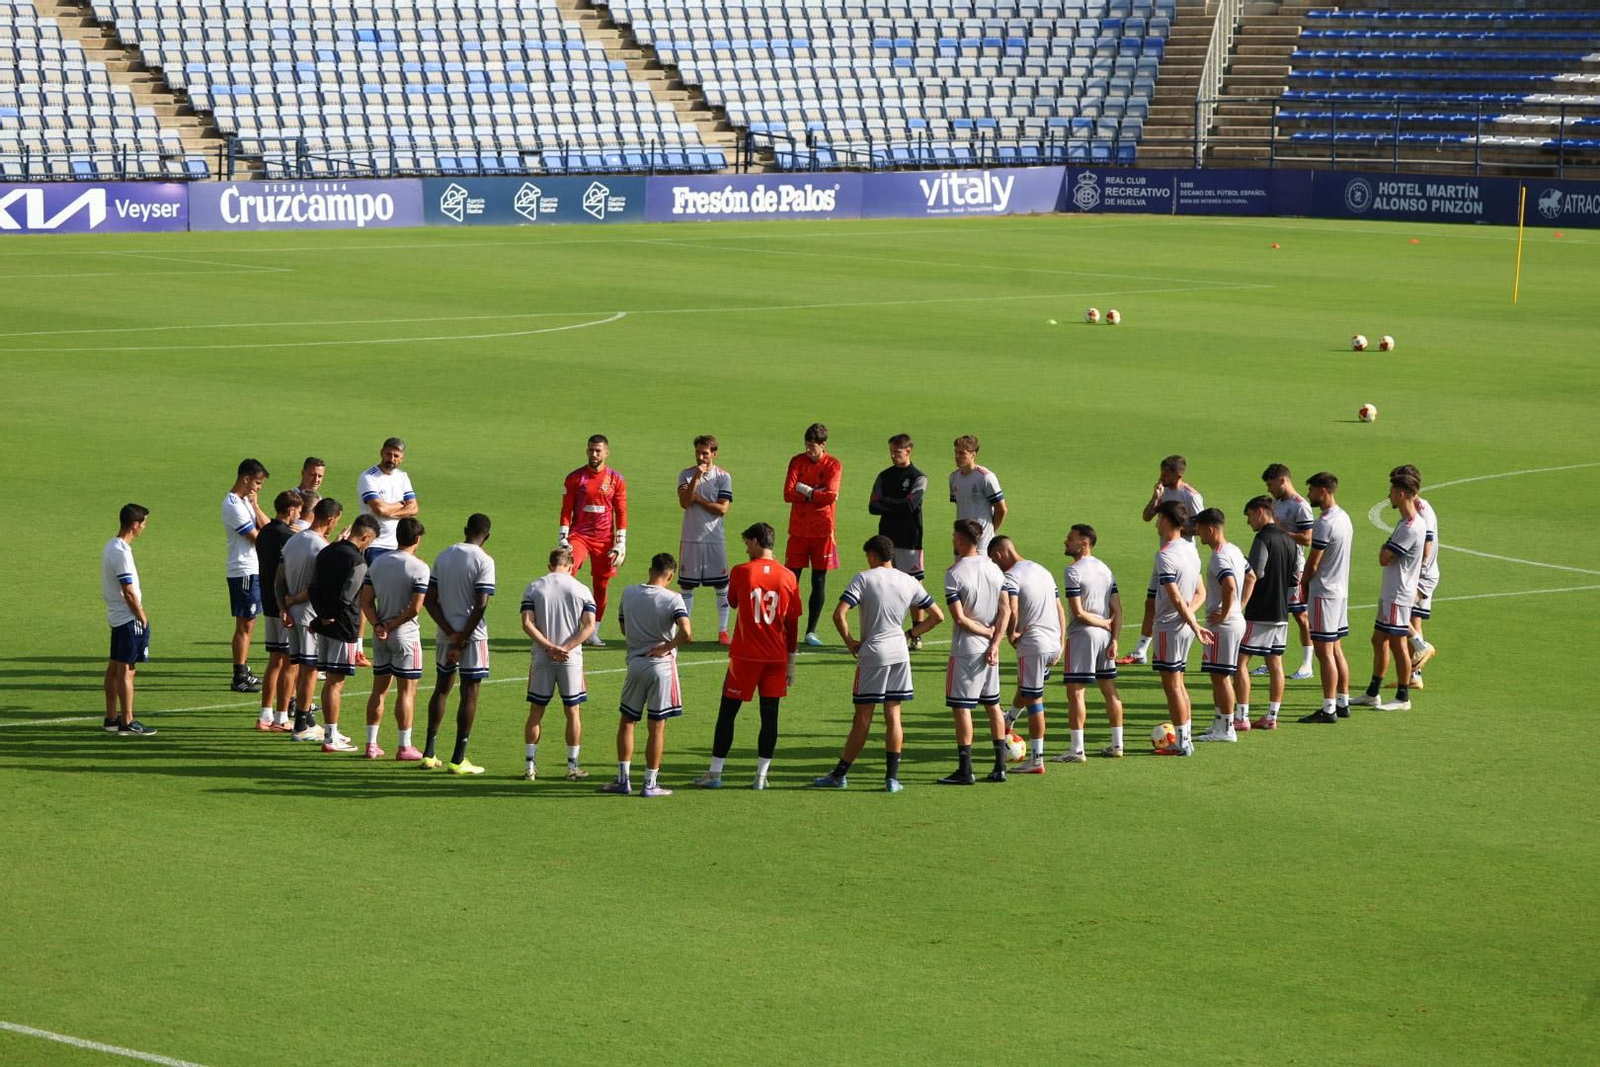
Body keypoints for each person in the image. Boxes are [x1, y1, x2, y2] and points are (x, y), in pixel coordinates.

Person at [813, 535, 943, 792]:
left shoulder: (864, 578)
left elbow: (839, 614)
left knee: (863, 716)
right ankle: (891, 779)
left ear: (873, 556)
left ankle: (840, 774)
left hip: (874, 654)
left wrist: (850, 641)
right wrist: (910, 634)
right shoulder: (909, 581)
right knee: (894, 715)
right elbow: (937, 616)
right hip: (900, 653)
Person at [698, 522, 801, 790]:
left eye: (747, 543)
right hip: (776, 659)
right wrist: (792, 661)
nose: (746, 548)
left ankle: (715, 773)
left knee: (727, 713)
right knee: (770, 716)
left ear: (756, 542)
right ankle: (761, 776)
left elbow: (732, 602)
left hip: (745, 657)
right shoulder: (789, 577)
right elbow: (793, 623)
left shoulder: (742, 572)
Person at [602, 553, 691, 798]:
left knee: (627, 721)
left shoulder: (629, 593)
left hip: (635, 664)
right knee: (657, 727)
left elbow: (623, 627)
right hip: (662, 668)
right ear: (670, 575)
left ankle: (623, 780)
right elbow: (687, 632)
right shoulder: (674, 599)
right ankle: (650, 784)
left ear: (650, 570)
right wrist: (666, 646)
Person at [938, 519, 1012, 784]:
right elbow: (1006, 610)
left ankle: (965, 769)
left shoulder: (954, 574)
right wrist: (995, 642)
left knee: (962, 708)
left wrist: (985, 634)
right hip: (992, 651)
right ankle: (999, 767)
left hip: (967, 648)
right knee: (993, 705)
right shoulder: (994, 569)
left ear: (959, 539)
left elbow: (959, 619)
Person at [423, 513, 496, 774]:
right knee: (469, 692)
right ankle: (458, 759)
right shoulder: (484, 561)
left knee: (441, 689)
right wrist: (462, 637)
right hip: (472, 637)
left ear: (465, 529)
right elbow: (481, 604)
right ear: (486, 536)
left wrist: (450, 633)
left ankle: (429, 754)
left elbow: (429, 600)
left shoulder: (444, 555)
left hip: (446, 635)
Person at [520, 546, 598, 782]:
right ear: (571, 566)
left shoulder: (534, 587)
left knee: (536, 712)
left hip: (542, 658)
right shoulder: (581, 589)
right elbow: (589, 625)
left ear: (549, 565)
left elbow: (527, 623)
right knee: (572, 712)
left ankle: (530, 767)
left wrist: (548, 647)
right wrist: (566, 648)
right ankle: (573, 767)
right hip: (570, 660)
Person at [988, 535, 1063, 773]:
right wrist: (1061, 642)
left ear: (999, 555)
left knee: (1035, 701)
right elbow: (1060, 607)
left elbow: (1010, 608)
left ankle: (1037, 760)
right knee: (1027, 685)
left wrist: (1012, 634)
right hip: (1052, 643)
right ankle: (1009, 721)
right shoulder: (1042, 570)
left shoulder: (1010, 576)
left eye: (993, 560)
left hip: (1034, 645)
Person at [1351, 473, 1426, 711]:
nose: (1389, 496)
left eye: (1392, 492)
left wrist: (1384, 547)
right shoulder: (1405, 523)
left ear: (1401, 494)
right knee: (1378, 639)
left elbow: (1384, 558)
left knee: (1397, 644)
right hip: (1390, 592)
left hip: (1398, 594)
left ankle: (1403, 697)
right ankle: (1373, 692)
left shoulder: (1411, 527)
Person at [1123, 455, 1204, 665]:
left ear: (1178, 475)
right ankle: (1141, 650)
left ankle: (1185, 625)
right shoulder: (1163, 490)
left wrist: (1177, 526)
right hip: (1165, 556)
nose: (1161, 476)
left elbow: (1201, 526)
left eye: (1166, 473)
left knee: (1180, 600)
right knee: (1150, 601)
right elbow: (1147, 516)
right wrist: (1155, 497)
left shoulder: (1191, 496)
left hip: (1183, 557)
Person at [308, 514, 380, 753]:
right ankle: (330, 737)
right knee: (335, 683)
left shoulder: (327, 551)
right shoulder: (358, 561)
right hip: (344, 627)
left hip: (324, 625)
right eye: (370, 541)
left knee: (329, 680)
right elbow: (347, 596)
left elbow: (313, 587)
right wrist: (330, 615)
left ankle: (332, 731)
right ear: (366, 536)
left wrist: (320, 616)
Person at [1147, 501, 1213, 756]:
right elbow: (1200, 593)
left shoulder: (1165, 555)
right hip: (1183, 626)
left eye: (1158, 519)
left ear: (1165, 520)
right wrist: (1191, 619)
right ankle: (1186, 737)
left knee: (1172, 686)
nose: (1155, 523)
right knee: (1180, 683)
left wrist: (1192, 623)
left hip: (1169, 628)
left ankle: (1182, 743)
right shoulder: (1190, 550)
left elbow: (1174, 597)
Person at [361, 517, 429, 760]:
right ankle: (404, 746)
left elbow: (365, 601)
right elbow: (414, 608)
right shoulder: (419, 568)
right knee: (406, 692)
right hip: (405, 635)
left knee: (378, 690)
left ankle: (371, 744)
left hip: (379, 635)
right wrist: (391, 625)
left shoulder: (377, 563)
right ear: (417, 540)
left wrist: (379, 625)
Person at [1057, 524, 1125, 760]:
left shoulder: (1073, 570)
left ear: (1084, 543)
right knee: (1110, 690)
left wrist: (1100, 624)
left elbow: (1077, 612)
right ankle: (1118, 745)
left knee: (1076, 693)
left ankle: (1077, 750)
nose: (1066, 541)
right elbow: (1117, 609)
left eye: (1070, 538)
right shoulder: (1105, 570)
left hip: (1083, 635)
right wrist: (1114, 638)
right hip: (1105, 637)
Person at [277, 496, 340, 742]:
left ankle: (304, 720)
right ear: (331, 519)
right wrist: (294, 601)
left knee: (298, 666)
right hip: (309, 616)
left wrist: (283, 606)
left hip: (292, 616)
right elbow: (317, 586)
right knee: (310, 669)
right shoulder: (321, 547)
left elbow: (278, 580)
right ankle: (302, 724)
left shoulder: (292, 542)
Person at [1235, 496, 1298, 731]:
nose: (1249, 522)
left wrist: (1242, 561)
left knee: (1240, 661)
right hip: (1281, 612)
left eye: (1250, 515)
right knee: (1275, 664)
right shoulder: (1290, 541)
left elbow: (1256, 572)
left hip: (1259, 610)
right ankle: (1272, 716)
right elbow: (1294, 578)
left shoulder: (1262, 538)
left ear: (1261, 512)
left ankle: (1242, 716)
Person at [559, 434, 627, 646]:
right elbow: (566, 509)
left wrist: (621, 541)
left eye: (598, 451)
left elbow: (621, 511)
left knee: (602, 585)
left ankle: (592, 631)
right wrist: (563, 536)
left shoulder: (616, 479)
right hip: (580, 535)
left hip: (604, 539)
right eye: (591, 450)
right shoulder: (575, 478)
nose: (594, 454)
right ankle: (568, 625)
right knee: (567, 573)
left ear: (606, 453)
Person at [1297, 472, 1353, 724]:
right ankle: (1342, 701)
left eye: (1311, 491)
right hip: (1340, 592)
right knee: (1337, 648)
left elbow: (1314, 562)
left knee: (1324, 652)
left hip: (1324, 594)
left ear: (1322, 491)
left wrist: (1304, 583)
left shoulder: (1324, 523)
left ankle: (1328, 708)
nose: (1309, 495)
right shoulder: (1345, 518)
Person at [357, 437, 418, 664]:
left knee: (396, 596)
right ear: (381, 452)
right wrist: (400, 506)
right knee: (367, 597)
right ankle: (358, 649)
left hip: (397, 545)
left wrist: (391, 510)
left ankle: (388, 639)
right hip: (374, 545)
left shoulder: (402, 477)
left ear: (402, 458)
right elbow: (378, 509)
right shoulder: (368, 477)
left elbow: (415, 507)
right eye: (388, 454)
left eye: (396, 456)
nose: (391, 459)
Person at [1193, 508, 1249, 743]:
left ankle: (1227, 728)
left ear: (1211, 529)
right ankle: (1219, 723)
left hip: (1225, 626)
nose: (1197, 534)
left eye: (1199, 529)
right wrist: (1239, 607)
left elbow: (1229, 585)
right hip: (1235, 621)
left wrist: (1226, 613)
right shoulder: (1234, 550)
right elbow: (1252, 576)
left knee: (1221, 676)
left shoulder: (1219, 556)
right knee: (1218, 675)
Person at [783, 422, 842, 646]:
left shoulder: (834, 465)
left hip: (823, 530)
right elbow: (788, 493)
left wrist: (805, 490)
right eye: (807, 446)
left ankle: (811, 631)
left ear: (823, 445)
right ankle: (786, 626)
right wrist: (816, 493)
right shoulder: (797, 461)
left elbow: (831, 495)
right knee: (791, 580)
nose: (809, 450)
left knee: (819, 581)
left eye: (813, 447)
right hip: (798, 530)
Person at [868, 433, 929, 648]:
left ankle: (917, 633)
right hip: (886, 540)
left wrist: (887, 502)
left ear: (908, 450)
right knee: (885, 585)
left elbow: (910, 505)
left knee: (914, 585)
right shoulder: (884, 476)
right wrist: (897, 503)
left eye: (897, 451)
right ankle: (886, 630)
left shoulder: (918, 477)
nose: (893, 456)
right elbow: (872, 506)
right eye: (891, 451)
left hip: (910, 539)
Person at [1258, 463, 1317, 681]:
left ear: (1283, 480)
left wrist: (1281, 532)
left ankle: (1306, 664)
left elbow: (1308, 539)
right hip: (1275, 567)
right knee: (1275, 613)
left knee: (1300, 615)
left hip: (1294, 568)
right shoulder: (1278, 504)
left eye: (1271, 484)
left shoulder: (1300, 506)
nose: (1269, 489)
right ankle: (1272, 661)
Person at [102, 503, 155, 737]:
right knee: (127, 670)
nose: (144, 528)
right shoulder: (122, 552)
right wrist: (141, 615)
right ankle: (127, 721)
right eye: (143, 524)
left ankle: (112, 717)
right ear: (135, 525)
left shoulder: (111, 546)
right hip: (127, 617)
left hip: (116, 616)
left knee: (114, 667)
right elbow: (129, 591)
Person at [677, 434, 733, 644]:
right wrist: (695, 480)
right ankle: (686, 631)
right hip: (690, 538)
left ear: (714, 454)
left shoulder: (723, 477)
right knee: (687, 587)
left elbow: (722, 509)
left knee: (721, 586)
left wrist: (698, 498)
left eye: (705, 453)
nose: (700, 457)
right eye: (698, 452)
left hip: (714, 540)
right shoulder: (686, 475)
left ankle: (723, 631)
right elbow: (684, 502)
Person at [254, 490, 301, 732]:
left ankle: (265, 715)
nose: (299, 515)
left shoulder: (264, 533)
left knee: (274, 659)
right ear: (291, 510)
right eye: (298, 511)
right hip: (285, 605)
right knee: (289, 662)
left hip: (268, 602)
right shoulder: (286, 537)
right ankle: (281, 718)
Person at [222, 458, 270, 692]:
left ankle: (243, 669)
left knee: (250, 623)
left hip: (253, 569)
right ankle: (238, 675)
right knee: (245, 624)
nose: (258, 487)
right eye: (257, 483)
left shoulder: (246, 501)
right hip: (243, 570)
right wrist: (274, 539)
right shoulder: (232, 504)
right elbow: (258, 537)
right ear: (246, 478)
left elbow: (267, 526)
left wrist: (257, 504)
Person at [1392, 464, 1440, 686]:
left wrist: (1415, 571)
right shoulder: (1418, 508)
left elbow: (1427, 547)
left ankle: (1422, 646)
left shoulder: (1421, 510)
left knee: (1397, 612)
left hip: (1421, 576)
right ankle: (1414, 675)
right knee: (1413, 618)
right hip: (1422, 574)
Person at [949, 434, 1007, 555]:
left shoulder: (985, 477)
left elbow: (1001, 509)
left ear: (973, 454)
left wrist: (989, 532)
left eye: (962, 453)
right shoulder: (953, 478)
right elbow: (961, 505)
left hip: (982, 545)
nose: (957, 456)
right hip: (962, 542)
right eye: (956, 452)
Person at [293, 457, 325, 531]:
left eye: (320, 476)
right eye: (313, 475)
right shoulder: (290, 498)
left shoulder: (320, 501)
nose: (316, 480)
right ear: (303, 473)